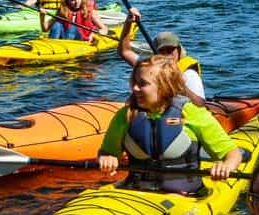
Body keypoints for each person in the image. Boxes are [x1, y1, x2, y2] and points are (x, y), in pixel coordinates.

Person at [97, 55, 242, 195]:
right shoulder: (125, 115)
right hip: (135, 191)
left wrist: (226, 166)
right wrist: (107, 158)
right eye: (134, 82)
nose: (135, 88)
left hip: (185, 195)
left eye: (142, 83)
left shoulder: (191, 112)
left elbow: (232, 154)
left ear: (164, 86)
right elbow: (107, 153)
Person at [118, 7, 206, 101]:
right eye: (162, 51)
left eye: (170, 50)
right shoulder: (150, 67)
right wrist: (128, 23)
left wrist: (178, 85)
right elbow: (124, 51)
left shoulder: (189, 74)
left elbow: (200, 103)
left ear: (179, 51)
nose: (167, 55)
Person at [43, 0, 108, 41]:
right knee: (57, 25)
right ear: (67, 0)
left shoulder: (89, 10)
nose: (77, 2)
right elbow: (45, 29)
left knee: (72, 28)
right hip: (64, 38)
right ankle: (52, 43)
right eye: (73, 0)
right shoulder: (62, 10)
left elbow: (105, 29)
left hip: (82, 39)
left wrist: (98, 33)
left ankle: (63, 46)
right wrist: (42, 15)